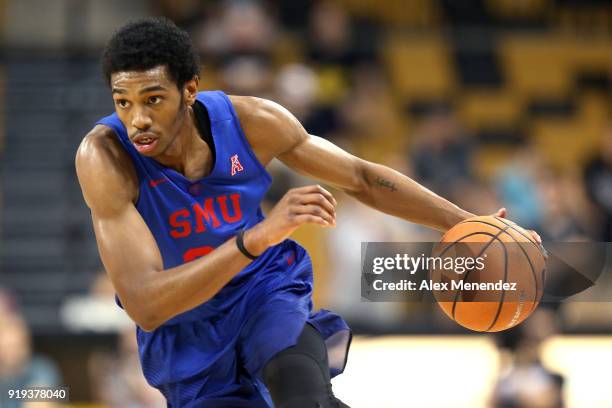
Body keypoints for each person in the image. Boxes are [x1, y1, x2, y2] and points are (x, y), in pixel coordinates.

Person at [75, 18, 540, 408]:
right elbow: (146, 305)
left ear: (190, 89)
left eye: (153, 99)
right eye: (123, 102)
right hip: (186, 332)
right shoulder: (105, 159)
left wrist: (469, 224)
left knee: (300, 387)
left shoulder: (253, 122)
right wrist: (254, 239)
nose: (138, 119)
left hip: (262, 293)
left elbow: (359, 177)